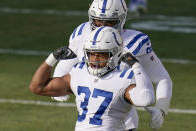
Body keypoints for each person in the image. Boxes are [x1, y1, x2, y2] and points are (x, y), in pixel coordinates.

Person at [53, 0, 173, 130]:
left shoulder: (135, 42)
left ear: (122, 19)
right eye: (98, 21)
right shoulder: (82, 33)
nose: (103, 27)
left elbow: (162, 78)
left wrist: (161, 108)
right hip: (88, 119)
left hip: (122, 122)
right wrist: (57, 81)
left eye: (110, 22)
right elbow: (67, 62)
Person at [29, 27, 155, 131]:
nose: (95, 59)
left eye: (101, 54)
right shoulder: (79, 73)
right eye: (91, 53)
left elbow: (146, 99)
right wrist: (52, 58)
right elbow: (37, 87)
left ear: (115, 53)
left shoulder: (123, 78)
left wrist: (137, 66)